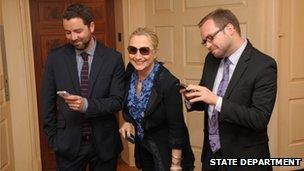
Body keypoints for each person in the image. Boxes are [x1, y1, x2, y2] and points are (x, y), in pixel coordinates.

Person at [181, 9, 277, 171]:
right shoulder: (211, 59)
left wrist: (216, 100)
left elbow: (259, 119)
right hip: (211, 155)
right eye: (204, 41)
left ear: (230, 29)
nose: (208, 45)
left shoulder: (263, 65)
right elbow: (206, 99)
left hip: (244, 158)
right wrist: (191, 98)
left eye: (210, 38)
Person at [41, 4, 125, 170]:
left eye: (78, 31)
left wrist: (86, 105)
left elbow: (117, 101)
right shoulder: (55, 59)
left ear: (91, 26)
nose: (73, 37)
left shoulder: (113, 58)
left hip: (104, 143)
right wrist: (53, 139)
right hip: (67, 144)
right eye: (68, 32)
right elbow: (47, 102)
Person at [119, 27, 195, 171]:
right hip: (144, 149)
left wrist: (176, 165)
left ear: (155, 52)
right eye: (132, 50)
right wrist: (127, 121)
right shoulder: (131, 70)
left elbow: (176, 127)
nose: (137, 56)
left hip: (167, 153)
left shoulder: (168, 83)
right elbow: (131, 103)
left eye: (144, 50)